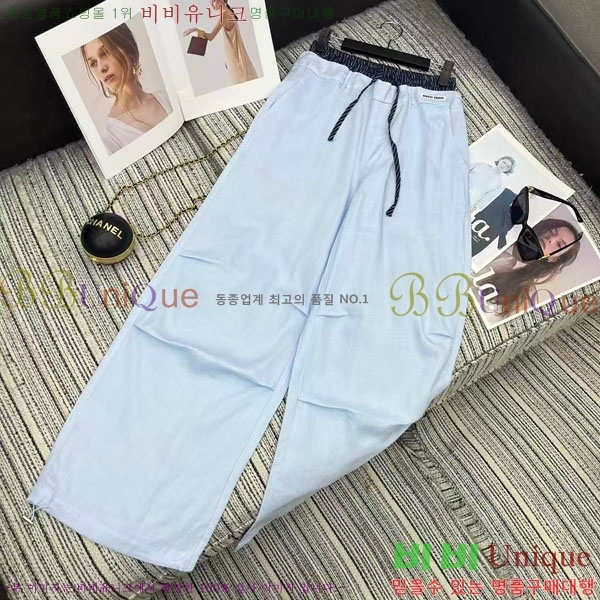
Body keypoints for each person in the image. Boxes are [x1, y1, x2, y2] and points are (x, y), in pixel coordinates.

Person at [81, 23, 171, 154]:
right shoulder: (108, 137)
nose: (101, 68)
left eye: (106, 52)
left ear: (128, 49)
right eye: (93, 63)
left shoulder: (167, 97)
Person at [478, 218, 581, 317]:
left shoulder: (522, 296)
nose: (550, 239)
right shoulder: (500, 230)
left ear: (553, 258)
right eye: (551, 231)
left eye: (559, 244)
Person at [183, 0, 258, 85]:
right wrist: (228, 59)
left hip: (236, 59)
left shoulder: (224, 13)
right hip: (236, 57)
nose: (211, 5)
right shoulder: (228, 11)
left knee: (243, 83)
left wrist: (195, 29)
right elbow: (233, 39)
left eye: (213, 1)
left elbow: (211, 36)